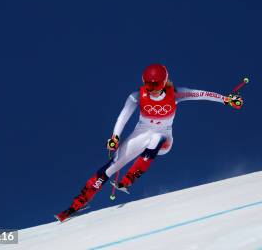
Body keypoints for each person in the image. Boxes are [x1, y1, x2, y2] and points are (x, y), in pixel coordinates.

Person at [55, 63, 243, 222]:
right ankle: (76, 205)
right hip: (141, 133)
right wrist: (115, 137)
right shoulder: (137, 96)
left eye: (155, 85)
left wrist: (226, 100)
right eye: (148, 85)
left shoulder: (176, 94)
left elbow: (201, 94)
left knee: (156, 139)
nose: (151, 89)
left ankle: (129, 180)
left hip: (164, 139)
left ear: (163, 83)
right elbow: (123, 116)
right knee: (109, 168)